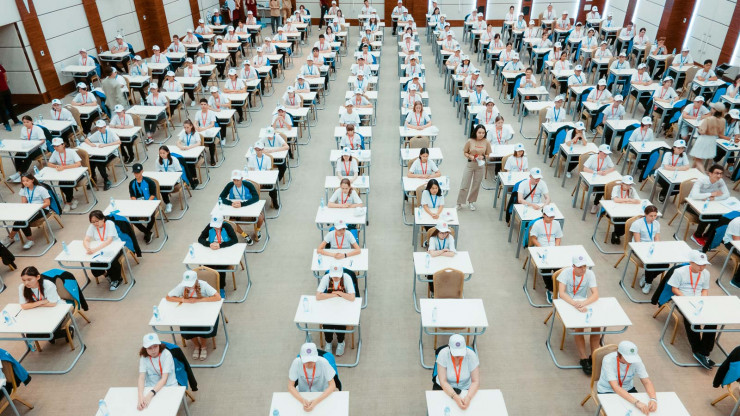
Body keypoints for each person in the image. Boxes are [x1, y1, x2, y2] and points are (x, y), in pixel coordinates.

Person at [668, 250, 715, 368]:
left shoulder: (706, 273)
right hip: (682, 299)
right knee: (691, 320)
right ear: (691, 262)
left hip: (699, 301)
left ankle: (704, 352)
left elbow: (704, 289)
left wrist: (703, 301)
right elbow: (674, 289)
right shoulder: (679, 272)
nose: (702, 267)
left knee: (712, 320)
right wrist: (686, 300)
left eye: (704, 265)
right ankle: (697, 350)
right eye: (699, 264)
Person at [557, 254, 599, 375]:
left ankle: (594, 356)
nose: (583, 269)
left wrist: (583, 303)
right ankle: (583, 358)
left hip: (582, 302)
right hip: (567, 302)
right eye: (580, 267)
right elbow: (562, 293)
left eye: (584, 266)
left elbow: (595, 294)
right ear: (573, 266)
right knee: (579, 327)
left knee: (597, 326)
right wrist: (575, 304)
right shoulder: (565, 273)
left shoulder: (590, 274)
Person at [166, 271, 221, 361]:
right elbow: (168, 297)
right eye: (187, 284)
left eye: (190, 284)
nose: (188, 286)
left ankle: (203, 346)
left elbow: (217, 297)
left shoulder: (203, 285)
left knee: (204, 326)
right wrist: (184, 300)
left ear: (196, 281)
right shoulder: (181, 286)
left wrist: (199, 300)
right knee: (187, 327)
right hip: (188, 312)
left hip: (204, 312)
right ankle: (196, 345)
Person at [596, 340, 657, 415]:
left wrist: (653, 399)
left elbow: (647, 382)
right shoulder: (608, 360)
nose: (631, 361)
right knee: (617, 413)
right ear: (619, 354)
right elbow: (615, 387)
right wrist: (636, 402)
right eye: (627, 358)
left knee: (639, 412)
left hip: (628, 389)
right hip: (607, 390)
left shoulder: (637, 360)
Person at [0, 173, 51, 249]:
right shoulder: (23, 189)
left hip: (42, 209)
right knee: (21, 219)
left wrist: (36, 207)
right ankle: (20, 239)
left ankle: (12, 238)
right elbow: (24, 203)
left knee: (23, 221)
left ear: (32, 180)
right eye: (23, 181)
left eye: (27, 180)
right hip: (29, 209)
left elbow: (47, 203)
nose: (25, 183)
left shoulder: (41, 189)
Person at [316, 264, 356, 356]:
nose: (336, 278)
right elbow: (318, 296)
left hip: (344, 306)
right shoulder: (326, 278)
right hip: (329, 305)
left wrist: (338, 293)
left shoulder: (347, 278)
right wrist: (334, 295)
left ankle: (341, 342)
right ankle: (328, 342)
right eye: (334, 276)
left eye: (338, 275)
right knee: (327, 321)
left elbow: (352, 297)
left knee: (339, 322)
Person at [434, 334, 480, 410]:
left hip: (465, 388)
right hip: (444, 387)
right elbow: (443, 381)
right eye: (455, 352)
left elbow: (475, 381)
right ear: (449, 348)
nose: (458, 355)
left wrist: (468, 397)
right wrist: (455, 396)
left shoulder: (471, 355)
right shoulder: (443, 354)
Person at [219, 170, 265, 245]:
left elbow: (256, 197)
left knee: (260, 217)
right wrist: (231, 203)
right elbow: (221, 198)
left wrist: (242, 204)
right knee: (231, 223)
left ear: (242, 178)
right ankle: (245, 235)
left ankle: (257, 230)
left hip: (249, 210)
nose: (236, 182)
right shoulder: (230, 185)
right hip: (236, 212)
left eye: (238, 180)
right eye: (234, 180)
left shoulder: (248, 185)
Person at [197, 213, 239, 294]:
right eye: (214, 226)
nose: (216, 228)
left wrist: (221, 245)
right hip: (213, 252)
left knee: (220, 266)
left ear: (222, 223)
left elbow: (235, 240)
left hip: (226, 252)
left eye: (218, 226)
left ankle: (221, 288)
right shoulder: (210, 226)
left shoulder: (227, 226)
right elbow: (200, 238)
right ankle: (209, 287)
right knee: (207, 266)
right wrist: (209, 244)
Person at [689, 164, 730, 247]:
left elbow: (727, 195)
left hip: (708, 205)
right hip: (692, 204)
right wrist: (712, 194)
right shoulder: (701, 180)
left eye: (721, 173)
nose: (719, 176)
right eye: (717, 173)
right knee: (707, 215)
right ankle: (696, 235)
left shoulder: (720, 181)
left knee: (719, 217)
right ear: (710, 173)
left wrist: (714, 198)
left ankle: (707, 236)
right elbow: (694, 196)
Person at [288, 342, 337, 411]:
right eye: (306, 361)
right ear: (301, 358)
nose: (309, 364)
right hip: (303, 394)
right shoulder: (296, 362)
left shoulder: (323, 362)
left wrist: (316, 401)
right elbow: (290, 386)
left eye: (312, 360)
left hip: (322, 393)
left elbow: (332, 386)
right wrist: (302, 400)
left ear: (317, 356)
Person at [84, 210, 124, 291]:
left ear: (103, 219)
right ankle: (107, 275)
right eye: (92, 222)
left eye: (97, 221)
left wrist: (95, 250)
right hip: (101, 250)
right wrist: (87, 247)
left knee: (112, 261)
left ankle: (117, 279)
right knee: (94, 265)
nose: (95, 223)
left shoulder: (109, 224)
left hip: (115, 247)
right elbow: (86, 239)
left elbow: (109, 240)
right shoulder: (92, 226)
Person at [138, 333, 178, 411]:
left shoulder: (166, 354)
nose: (153, 350)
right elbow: (141, 377)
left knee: (167, 409)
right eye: (149, 348)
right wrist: (140, 397)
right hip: (151, 386)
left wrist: (150, 394)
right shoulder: (143, 357)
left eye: (155, 346)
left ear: (159, 345)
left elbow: (164, 379)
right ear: (145, 349)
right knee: (146, 409)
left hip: (169, 385)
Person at [457, 125, 492, 211]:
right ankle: (459, 203)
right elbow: (465, 152)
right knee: (465, 183)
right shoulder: (470, 141)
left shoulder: (486, 142)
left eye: (483, 133)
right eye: (479, 132)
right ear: (475, 132)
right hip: (470, 164)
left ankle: (471, 202)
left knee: (476, 185)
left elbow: (488, 154)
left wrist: (483, 157)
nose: (481, 134)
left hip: (480, 166)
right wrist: (470, 156)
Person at [632, 205, 664, 294]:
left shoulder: (656, 224)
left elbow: (657, 239)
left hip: (651, 248)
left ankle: (646, 277)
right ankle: (648, 283)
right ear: (645, 214)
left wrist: (657, 249)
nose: (653, 218)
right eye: (651, 216)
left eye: (655, 215)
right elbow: (637, 242)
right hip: (639, 248)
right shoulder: (637, 224)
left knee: (665, 264)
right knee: (651, 263)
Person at [47, 138, 81, 213]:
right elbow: (49, 164)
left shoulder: (71, 151)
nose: (55, 148)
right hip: (64, 175)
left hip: (76, 173)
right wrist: (56, 166)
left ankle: (68, 202)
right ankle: (72, 199)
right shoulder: (55, 152)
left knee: (67, 183)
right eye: (54, 146)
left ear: (63, 145)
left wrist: (64, 167)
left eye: (57, 146)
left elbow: (78, 164)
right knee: (61, 184)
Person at [690, 103, 727, 172]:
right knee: (698, 157)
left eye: (712, 108)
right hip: (713, 139)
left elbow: (702, 131)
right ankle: (691, 170)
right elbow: (721, 134)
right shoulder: (723, 120)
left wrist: (699, 128)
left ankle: (703, 174)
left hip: (704, 139)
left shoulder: (708, 119)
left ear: (715, 110)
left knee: (697, 159)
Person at [85, 120, 120, 190]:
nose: (99, 129)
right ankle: (93, 178)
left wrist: (105, 145)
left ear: (105, 127)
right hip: (102, 152)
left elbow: (119, 142)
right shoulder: (98, 133)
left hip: (112, 153)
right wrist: (91, 144)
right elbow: (86, 140)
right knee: (90, 160)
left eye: (101, 128)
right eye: (98, 128)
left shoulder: (110, 132)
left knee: (99, 163)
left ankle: (106, 180)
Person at [127, 163, 158, 244]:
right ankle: (147, 232)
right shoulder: (132, 183)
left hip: (150, 203)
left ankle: (147, 232)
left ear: (142, 171)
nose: (136, 174)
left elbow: (153, 195)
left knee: (151, 215)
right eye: (135, 172)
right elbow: (132, 195)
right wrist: (137, 203)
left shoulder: (149, 182)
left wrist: (146, 204)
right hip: (138, 204)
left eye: (138, 172)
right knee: (132, 217)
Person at [583, 144, 616, 213]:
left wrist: (606, 172)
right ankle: (596, 204)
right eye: (604, 153)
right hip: (590, 178)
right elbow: (585, 169)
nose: (606, 155)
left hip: (601, 179)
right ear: (600, 152)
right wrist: (596, 172)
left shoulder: (607, 158)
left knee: (609, 187)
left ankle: (606, 204)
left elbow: (613, 168)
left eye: (607, 154)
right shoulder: (593, 157)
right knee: (603, 188)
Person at [246, 142, 280, 209]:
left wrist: (262, 182)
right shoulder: (251, 158)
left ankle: (275, 202)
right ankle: (252, 205)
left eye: (259, 150)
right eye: (256, 149)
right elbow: (252, 171)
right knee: (248, 187)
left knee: (273, 189)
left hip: (265, 178)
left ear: (262, 149)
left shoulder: (267, 158)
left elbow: (268, 172)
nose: (258, 151)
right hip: (255, 179)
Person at [609, 175, 641, 244]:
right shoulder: (616, 188)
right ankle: (617, 234)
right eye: (627, 184)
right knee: (620, 219)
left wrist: (625, 200)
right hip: (614, 210)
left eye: (630, 185)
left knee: (631, 220)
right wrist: (628, 200)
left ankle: (617, 234)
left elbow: (638, 201)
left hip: (627, 211)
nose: (628, 186)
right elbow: (615, 200)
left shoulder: (632, 189)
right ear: (622, 183)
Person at [194, 98, 220, 166]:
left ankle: (212, 158)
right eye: (201, 104)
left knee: (211, 143)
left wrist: (203, 129)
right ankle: (198, 157)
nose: (203, 106)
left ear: (207, 105)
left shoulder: (211, 113)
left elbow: (212, 124)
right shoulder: (198, 113)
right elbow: (195, 122)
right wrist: (196, 127)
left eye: (204, 104)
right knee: (194, 140)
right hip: (201, 131)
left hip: (209, 131)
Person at [0, 63, 21, 131]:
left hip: (5, 89)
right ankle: (6, 123)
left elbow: (4, 74)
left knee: (10, 106)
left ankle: (16, 120)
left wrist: (5, 84)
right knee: (2, 108)